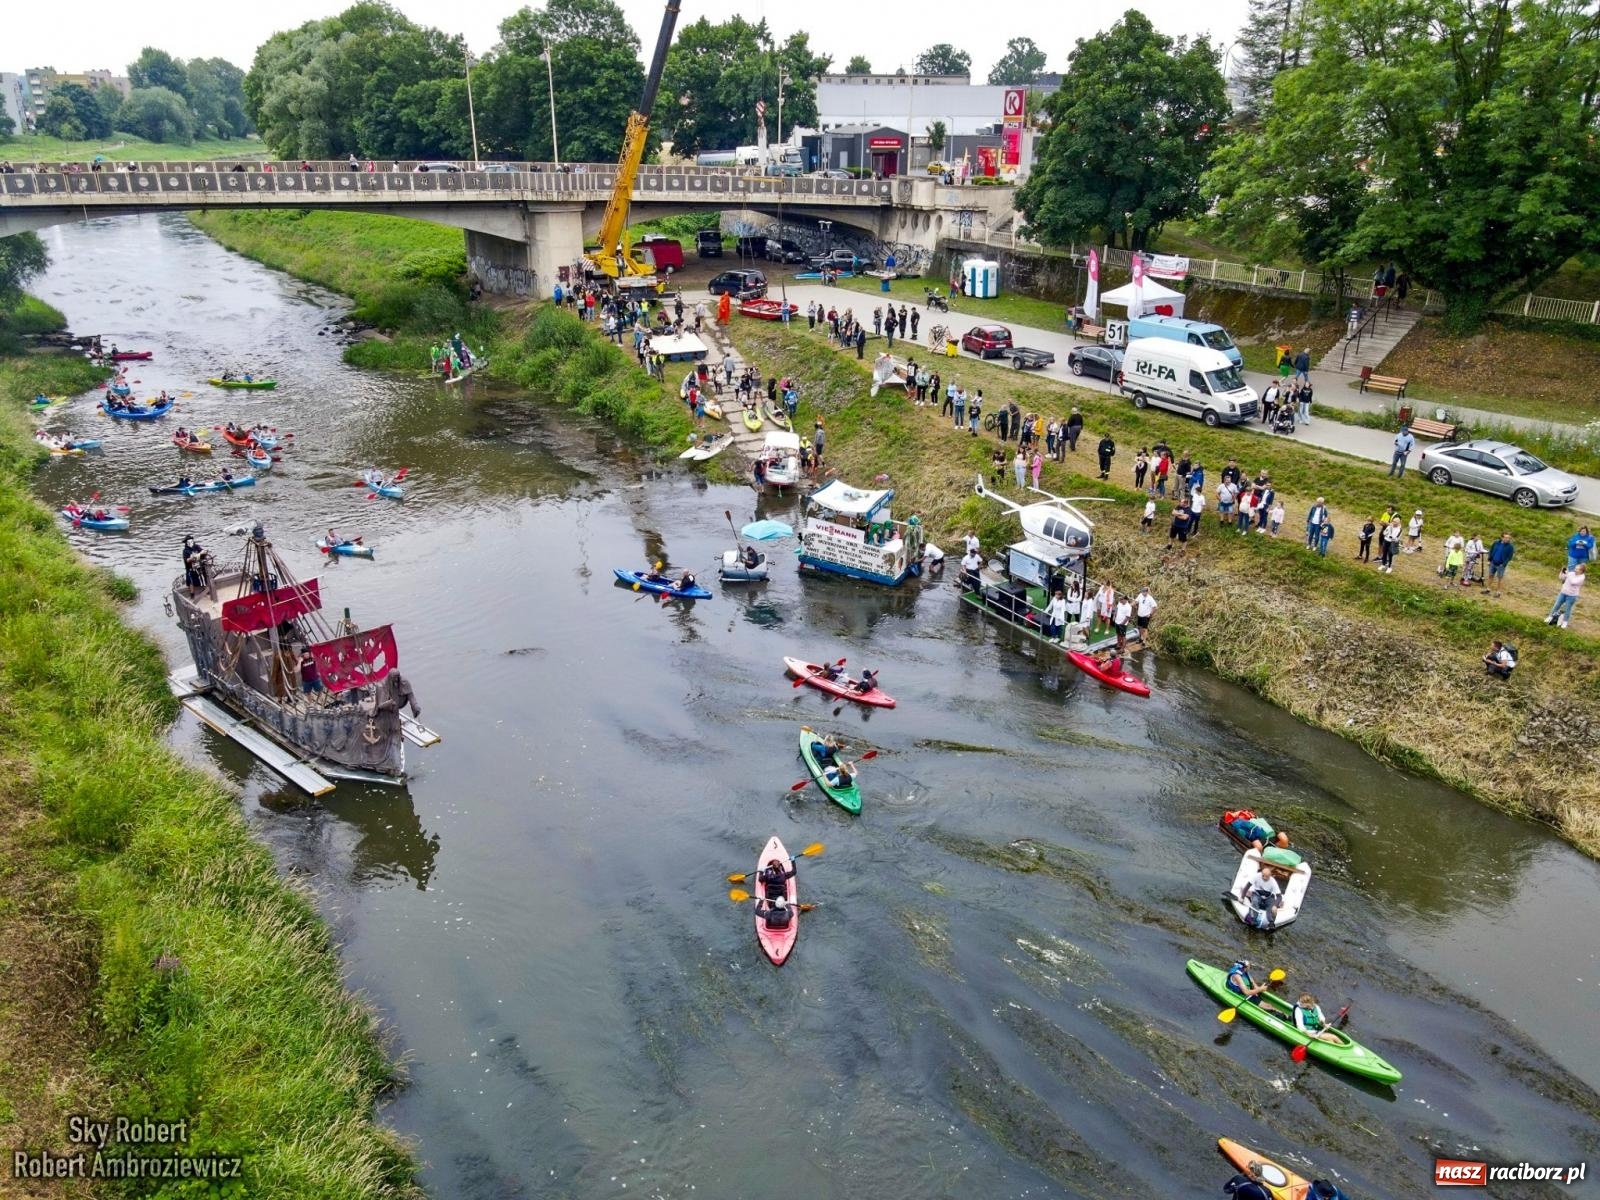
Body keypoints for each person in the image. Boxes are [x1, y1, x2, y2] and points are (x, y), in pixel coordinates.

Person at [1238, 863, 1284, 928]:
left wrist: (1275, 905)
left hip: (1268, 897)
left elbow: (1279, 896)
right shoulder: (1256, 876)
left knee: (1271, 906)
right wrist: (1242, 897)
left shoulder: (1273, 882)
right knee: (1255, 901)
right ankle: (1253, 919)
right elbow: (1247, 886)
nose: (1264, 878)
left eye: (1266, 877)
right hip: (1257, 894)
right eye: (1263, 876)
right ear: (1261, 873)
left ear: (1270, 876)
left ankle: (1270, 921)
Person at [1546, 562, 1585, 627]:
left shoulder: (1582, 577)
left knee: (1567, 609)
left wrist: (1568, 574)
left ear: (1581, 571)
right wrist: (1562, 572)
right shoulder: (1571, 573)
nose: (1575, 570)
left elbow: (1573, 582)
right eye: (1575, 568)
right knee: (1556, 605)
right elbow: (1561, 578)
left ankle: (1565, 622)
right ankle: (1550, 617)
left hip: (1571, 596)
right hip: (1563, 593)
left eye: (1577, 569)